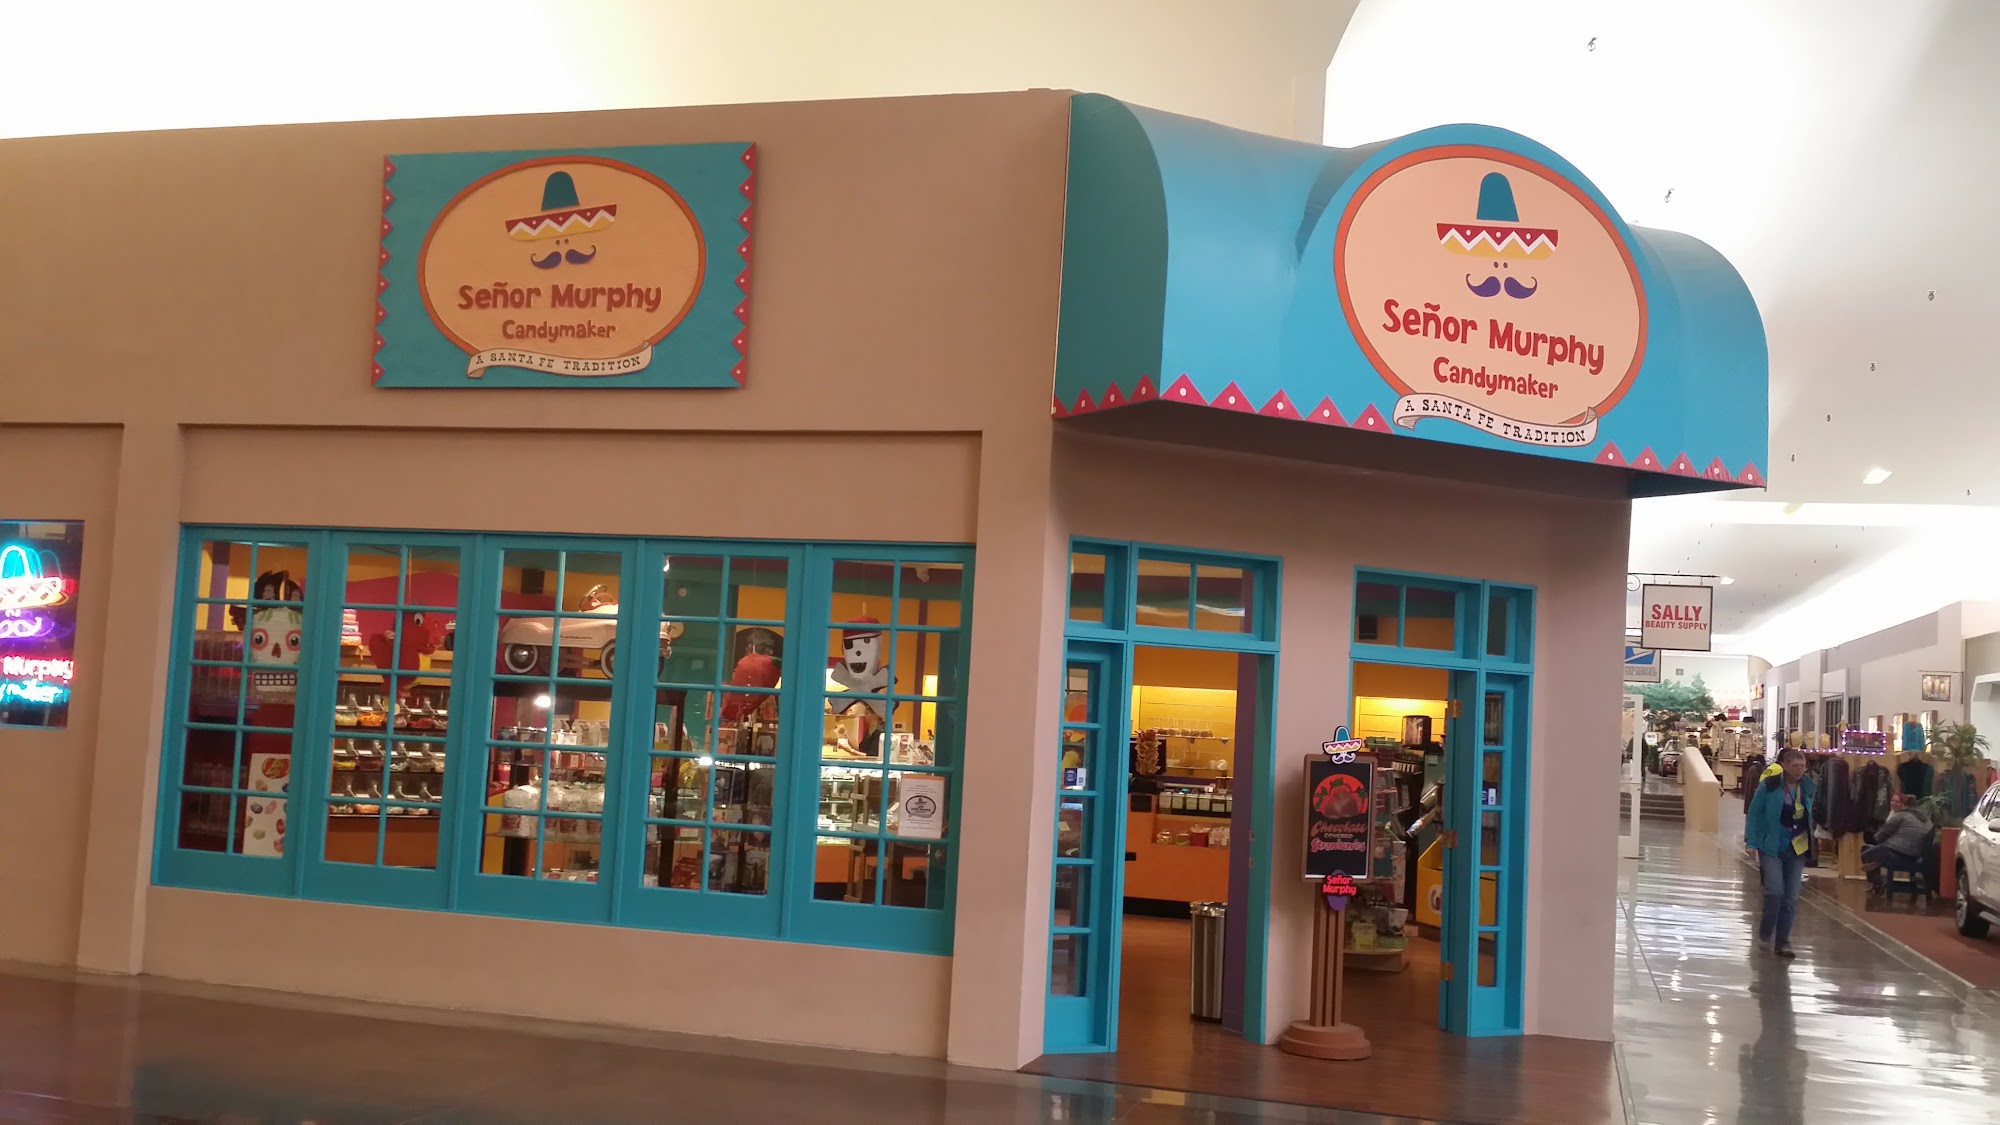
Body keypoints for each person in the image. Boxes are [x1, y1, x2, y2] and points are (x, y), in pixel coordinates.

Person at [1746, 749, 1817, 958]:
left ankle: (1783, 941)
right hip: (1771, 846)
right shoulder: (1769, 786)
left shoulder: (1808, 787)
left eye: (1802, 766)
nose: (1799, 770)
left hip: (1797, 847)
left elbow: (1810, 814)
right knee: (1775, 891)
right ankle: (1765, 931)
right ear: (1785, 766)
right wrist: (1751, 842)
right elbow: (1754, 813)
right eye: (1795, 766)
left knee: (1791, 897)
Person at [1860, 792, 1932, 890]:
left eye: (1898, 802)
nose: (1894, 804)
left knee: (1865, 853)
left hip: (1899, 855)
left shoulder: (1901, 815)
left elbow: (1879, 837)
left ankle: (1878, 881)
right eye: (1892, 801)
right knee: (1876, 850)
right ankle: (1878, 865)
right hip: (1916, 856)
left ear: (1904, 805)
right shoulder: (1926, 818)